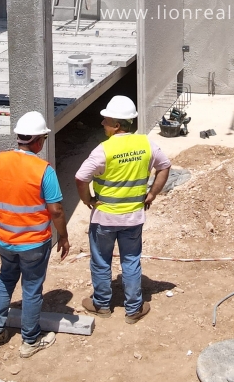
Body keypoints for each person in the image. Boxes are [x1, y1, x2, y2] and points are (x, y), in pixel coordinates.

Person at [75, 96, 170, 323]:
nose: (102, 124)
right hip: (133, 218)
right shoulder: (146, 144)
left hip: (104, 219)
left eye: (106, 120)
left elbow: (80, 177)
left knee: (100, 261)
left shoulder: (103, 150)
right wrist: (152, 194)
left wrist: (87, 199)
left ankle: (101, 304)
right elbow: (164, 166)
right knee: (130, 260)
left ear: (117, 125)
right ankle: (133, 308)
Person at [0, 112, 70, 358]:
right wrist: (62, 236)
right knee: (31, 288)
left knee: (5, 279)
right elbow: (56, 209)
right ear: (38, 141)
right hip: (33, 242)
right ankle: (30, 340)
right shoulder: (43, 169)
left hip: (4, 238)